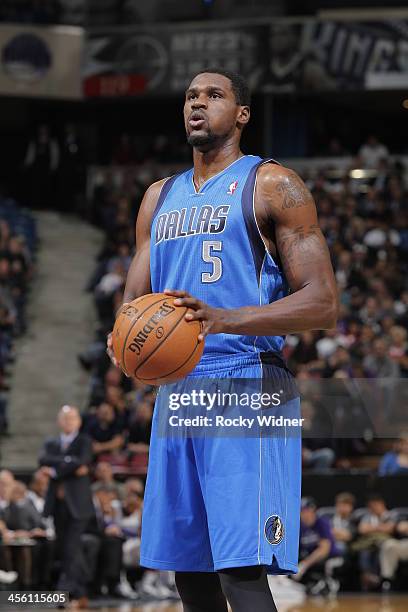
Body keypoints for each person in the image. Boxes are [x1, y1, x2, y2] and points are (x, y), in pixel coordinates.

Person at [107, 68, 338, 612]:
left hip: (247, 380)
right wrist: (131, 344)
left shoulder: (273, 184)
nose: (197, 104)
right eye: (190, 96)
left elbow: (323, 302)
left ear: (241, 114)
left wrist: (222, 319)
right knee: (191, 573)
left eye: (214, 96)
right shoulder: (156, 198)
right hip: (180, 390)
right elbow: (132, 308)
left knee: (240, 569)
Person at [39, 405, 94, 608]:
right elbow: (42, 459)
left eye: (72, 418)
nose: (69, 422)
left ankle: (63, 593)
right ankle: (81, 591)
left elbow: (84, 461)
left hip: (78, 505)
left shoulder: (85, 441)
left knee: (71, 547)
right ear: (59, 421)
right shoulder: (51, 442)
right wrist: (70, 463)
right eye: (65, 418)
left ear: (79, 421)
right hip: (57, 504)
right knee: (66, 549)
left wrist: (54, 471)